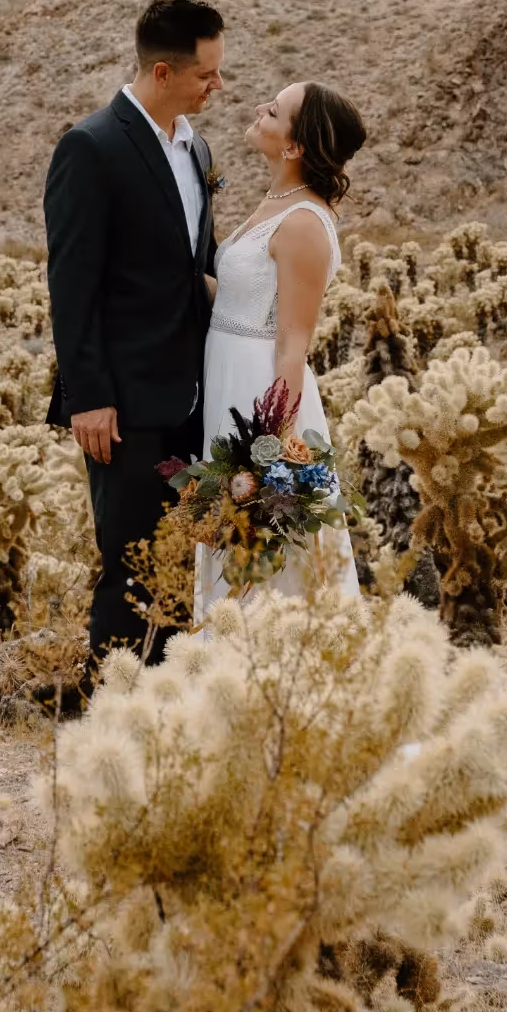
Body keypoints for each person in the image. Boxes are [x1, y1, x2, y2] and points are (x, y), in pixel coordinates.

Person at [44, 0, 223, 670]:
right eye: (207, 74)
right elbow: (72, 280)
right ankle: (110, 721)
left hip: (195, 394)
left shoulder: (196, 146)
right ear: (160, 71)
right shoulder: (91, 146)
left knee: (184, 560)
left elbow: (194, 265)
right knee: (129, 565)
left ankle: (169, 714)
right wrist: (88, 393)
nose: (217, 86)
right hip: (121, 404)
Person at [194, 80, 368, 619]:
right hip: (228, 382)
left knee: (261, 545)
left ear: (293, 147)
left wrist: (272, 450)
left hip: (261, 398)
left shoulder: (304, 225)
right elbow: (243, 302)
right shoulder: (278, 203)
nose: (257, 110)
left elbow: (293, 344)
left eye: (272, 111)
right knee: (225, 540)